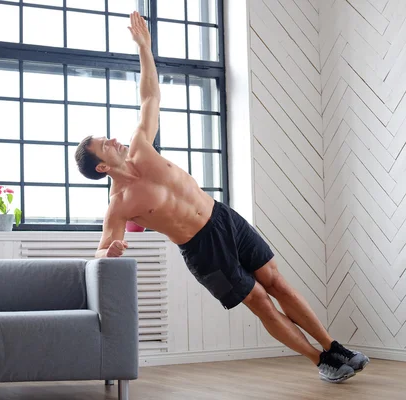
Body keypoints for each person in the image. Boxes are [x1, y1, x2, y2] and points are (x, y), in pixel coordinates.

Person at [74, 11, 369, 384]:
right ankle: (319, 360)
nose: (113, 140)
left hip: (222, 217)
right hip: (201, 249)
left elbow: (150, 95)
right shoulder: (120, 204)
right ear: (102, 167)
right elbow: (102, 249)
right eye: (105, 145)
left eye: (107, 137)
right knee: (260, 301)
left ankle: (333, 346)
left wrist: (144, 48)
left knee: (276, 282)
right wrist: (109, 253)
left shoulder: (140, 146)